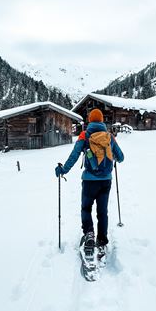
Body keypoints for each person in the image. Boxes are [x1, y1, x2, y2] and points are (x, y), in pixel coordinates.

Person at [55, 108, 124, 252]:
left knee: (86, 208)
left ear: (90, 121)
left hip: (89, 181)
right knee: (102, 211)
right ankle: (102, 239)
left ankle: (89, 234)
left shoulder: (84, 135)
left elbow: (74, 156)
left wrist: (63, 170)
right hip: (106, 180)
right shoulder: (109, 136)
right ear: (102, 121)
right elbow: (121, 157)